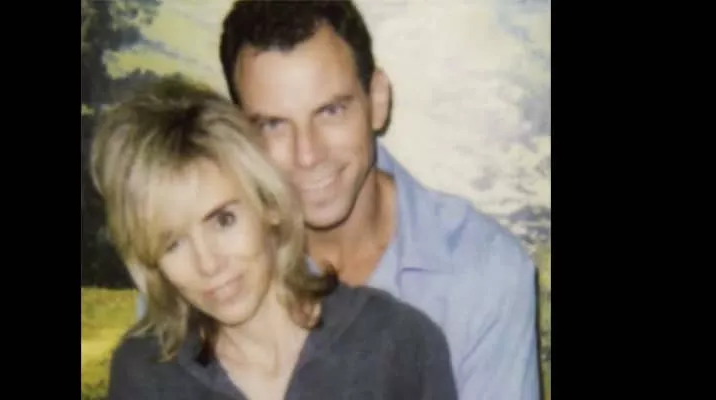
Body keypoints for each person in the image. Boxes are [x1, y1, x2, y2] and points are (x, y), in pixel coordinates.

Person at [213, 1, 542, 399]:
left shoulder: (484, 272)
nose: (308, 155)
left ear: (377, 100)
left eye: (331, 111)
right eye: (273, 125)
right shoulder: (207, 264)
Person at [91, 74, 458, 400]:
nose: (208, 263)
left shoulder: (398, 344)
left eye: (223, 220)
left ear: (269, 204)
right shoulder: (146, 375)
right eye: (173, 243)